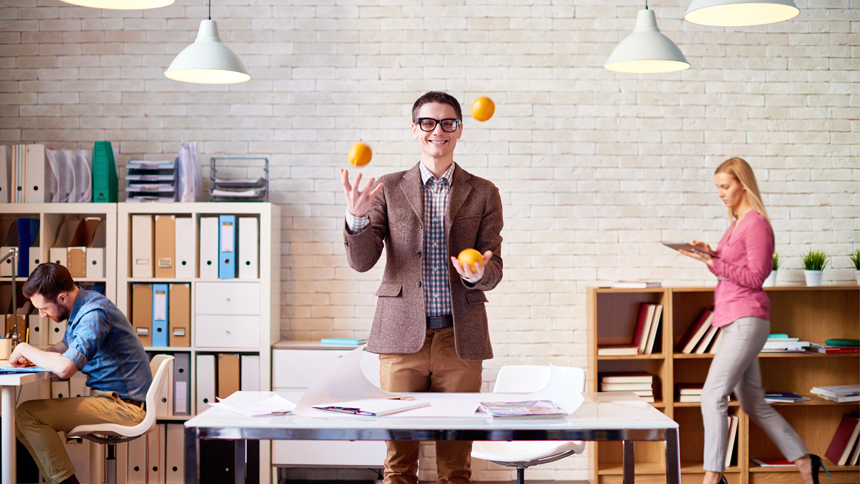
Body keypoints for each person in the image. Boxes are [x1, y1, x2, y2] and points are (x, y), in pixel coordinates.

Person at [340, 91, 503, 484]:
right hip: (400, 339)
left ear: (459, 129)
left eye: (448, 123)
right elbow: (362, 261)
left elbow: (494, 268)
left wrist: (477, 273)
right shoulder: (387, 187)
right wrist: (356, 219)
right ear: (415, 130)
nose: (437, 131)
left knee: (455, 464)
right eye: (427, 122)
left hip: (459, 339)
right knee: (399, 462)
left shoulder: (484, 192)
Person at [680, 158, 828, 484]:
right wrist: (709, 254)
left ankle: (712, 477)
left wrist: (712, 262)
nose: (720, 193)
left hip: (747, 318)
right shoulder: (736, 223)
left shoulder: (756, 224)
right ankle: (806, 461)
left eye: (725, 186)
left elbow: (756, 276)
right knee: (753, 403)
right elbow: (733, 268)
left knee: (712, 395)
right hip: (733, 319)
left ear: (743, 185)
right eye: (718, 187)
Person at [10, 263, 153, 484]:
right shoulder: (86, 303)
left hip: (125, 407)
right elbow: (65, 347)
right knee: (21, 420)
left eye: (44, 308)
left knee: (27, 415)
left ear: (62, 298)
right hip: (116, 400)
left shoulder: (93, 314)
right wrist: (38, 355)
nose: (42, 315)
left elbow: (65, 369)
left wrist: (23, 348)